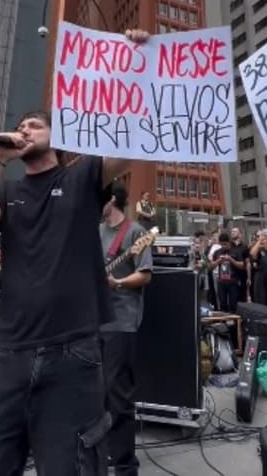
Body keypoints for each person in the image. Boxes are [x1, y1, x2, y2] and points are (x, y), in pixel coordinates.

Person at [0, 29, 150, 476]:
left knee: (72, 464)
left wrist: (137, 64)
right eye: (20, 126)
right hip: (9, 351)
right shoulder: (9, 190)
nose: (23, 130)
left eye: (34, 126)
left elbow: (131, 144)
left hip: (73, 352)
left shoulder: (81, 178)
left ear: (57, 138)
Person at [100, 183, 153, 476]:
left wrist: (117, 282)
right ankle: (101, 452)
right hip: (93, 320)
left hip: (121, 321)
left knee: (117, 392)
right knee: (95, 391)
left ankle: (124, 464)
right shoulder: (96, 231)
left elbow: (144, 275)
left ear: (111, 200)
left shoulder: (135, 233)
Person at [209, 231, 246, 313]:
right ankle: (223, 318)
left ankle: (233, 319)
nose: (223, 246)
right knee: (222, 304)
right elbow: (211, 267)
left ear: (229, 242)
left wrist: (231, 260)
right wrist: (218, 261)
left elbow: (242, 265)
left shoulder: (236, 251)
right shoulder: (217, 252)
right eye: (221, 244)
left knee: (233, 304)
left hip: (233, 281)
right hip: (221, 281)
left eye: (225, 244)